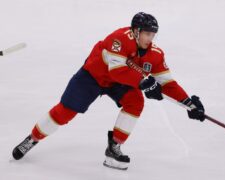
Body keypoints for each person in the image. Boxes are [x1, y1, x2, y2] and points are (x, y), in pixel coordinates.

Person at [12, 12, 205, 170]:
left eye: (153, 34)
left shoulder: (155, 54)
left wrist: (188, 103)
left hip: (119, 83)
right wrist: (145, 83)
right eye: (147, 33)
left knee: (136, 102)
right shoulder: (119, 38)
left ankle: (114, 148)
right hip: (92, 77)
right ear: (136, 31)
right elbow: (118, 71)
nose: (150, 38)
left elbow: (167, 83)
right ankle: (33, 138)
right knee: (66, 111)